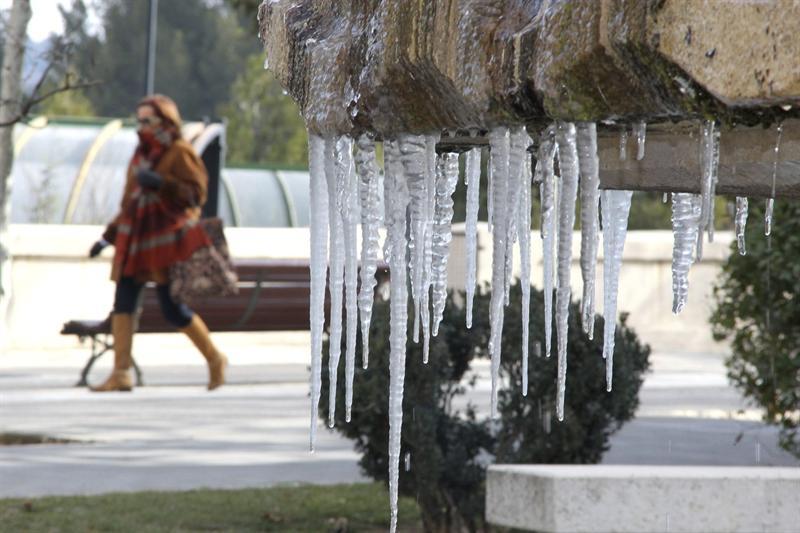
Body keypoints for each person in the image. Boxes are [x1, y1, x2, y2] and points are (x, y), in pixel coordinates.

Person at [88, 94, 227, 392]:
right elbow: (129, 204)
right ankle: (121, 373)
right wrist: (106, 237)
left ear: (165, 121)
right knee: (123, 303)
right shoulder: (139, 155)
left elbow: (197, 194)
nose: (141, 126)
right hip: (135, 240)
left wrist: (162, 184)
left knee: (172, 308)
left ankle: (215, 358)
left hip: (164, 243)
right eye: (138, 120)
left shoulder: (179, 151)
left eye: (147, 120)